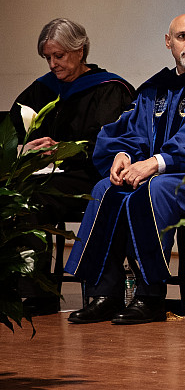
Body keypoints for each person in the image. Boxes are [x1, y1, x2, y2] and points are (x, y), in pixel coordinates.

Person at [64, 14, 185, 325]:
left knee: (155, 189)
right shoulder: (152, 90)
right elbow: (130, 131)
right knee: (105, 189)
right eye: (181, 36)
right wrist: (123, 154)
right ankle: (104, 294)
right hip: (154, 176)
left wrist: (156, 163)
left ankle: (150, 295)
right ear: (168, 42)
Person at [11, 18, 135, 315]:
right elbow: (12, 129)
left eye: (59, 56)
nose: (53, 64)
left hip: (88, 174)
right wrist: (23, 149)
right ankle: (24, 289)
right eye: (48, 58)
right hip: (44, 174)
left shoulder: (109, 89)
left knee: (32, 199)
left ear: (79, 51)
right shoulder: (41, 89)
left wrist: (64, 150)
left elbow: (113, 144)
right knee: (14, 196)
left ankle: (41, 294)